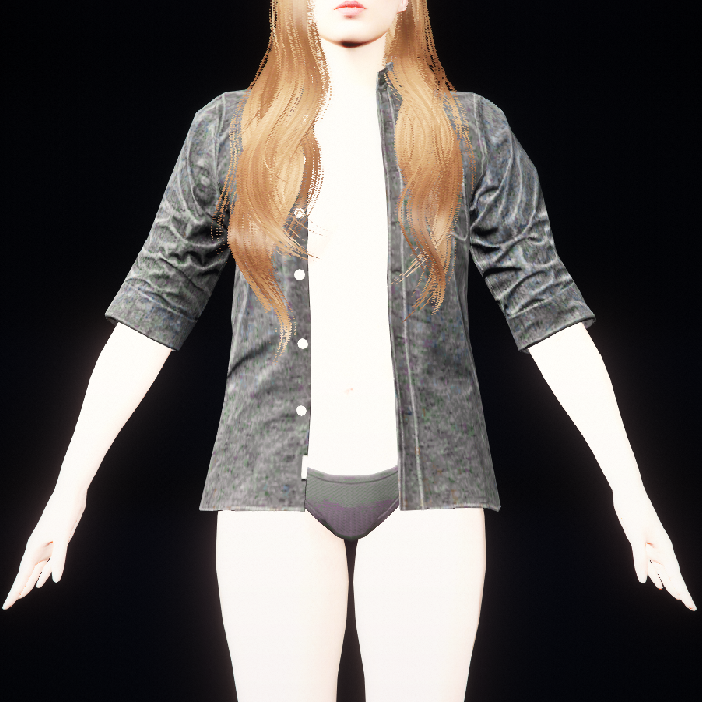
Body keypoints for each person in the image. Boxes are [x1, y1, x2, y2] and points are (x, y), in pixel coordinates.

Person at [3, 2, 696, 702]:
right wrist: (68, 491)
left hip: (432, 488)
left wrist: (629, 489)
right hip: (268, 484)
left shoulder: (469, 130)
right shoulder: (229, 130)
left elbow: (547, 312)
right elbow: (151, 313)